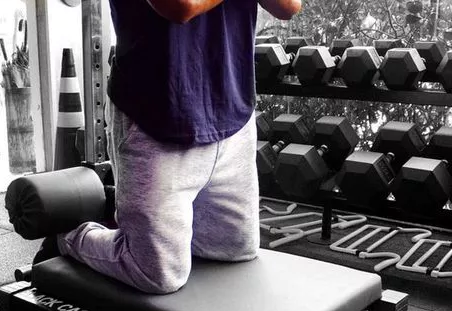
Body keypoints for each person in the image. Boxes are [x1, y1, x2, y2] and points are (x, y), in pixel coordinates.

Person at [36, 0, 301, 294]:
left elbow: (289, 6)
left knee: (235, 252)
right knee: (155, 274)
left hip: (232, 111)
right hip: (156, 114)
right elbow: (180, 6)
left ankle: (136, 214)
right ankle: (68, 237)